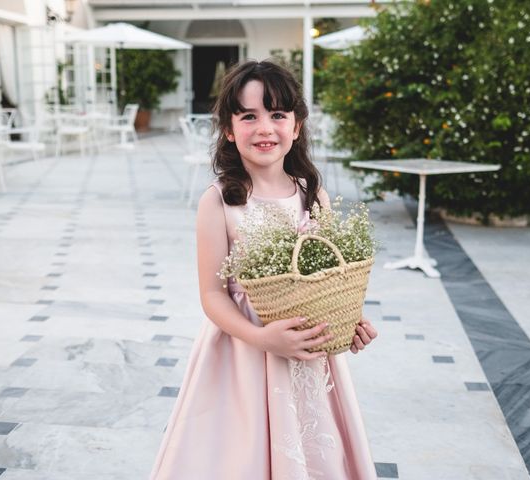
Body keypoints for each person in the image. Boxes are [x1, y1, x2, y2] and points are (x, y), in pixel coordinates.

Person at [150, 60, 379, 480]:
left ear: (296, 126)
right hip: (243, 352)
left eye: (277, 115)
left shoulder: (314, 196)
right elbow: (213, 294)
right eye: (248, 116)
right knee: (243, 453)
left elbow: (328, 279)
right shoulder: (218, 201)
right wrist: (261, 337)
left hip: (306, 355)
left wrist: (349, 322)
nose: (264, 128)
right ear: (228, 129)